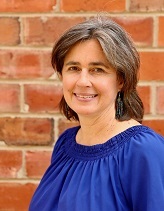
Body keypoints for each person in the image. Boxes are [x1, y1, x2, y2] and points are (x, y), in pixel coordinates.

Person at [29, 15, 164, 211]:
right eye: (74, 68)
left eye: (97, 70)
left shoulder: (145, 151)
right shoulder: (66, 145)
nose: (83, 81)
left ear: (121, 80)